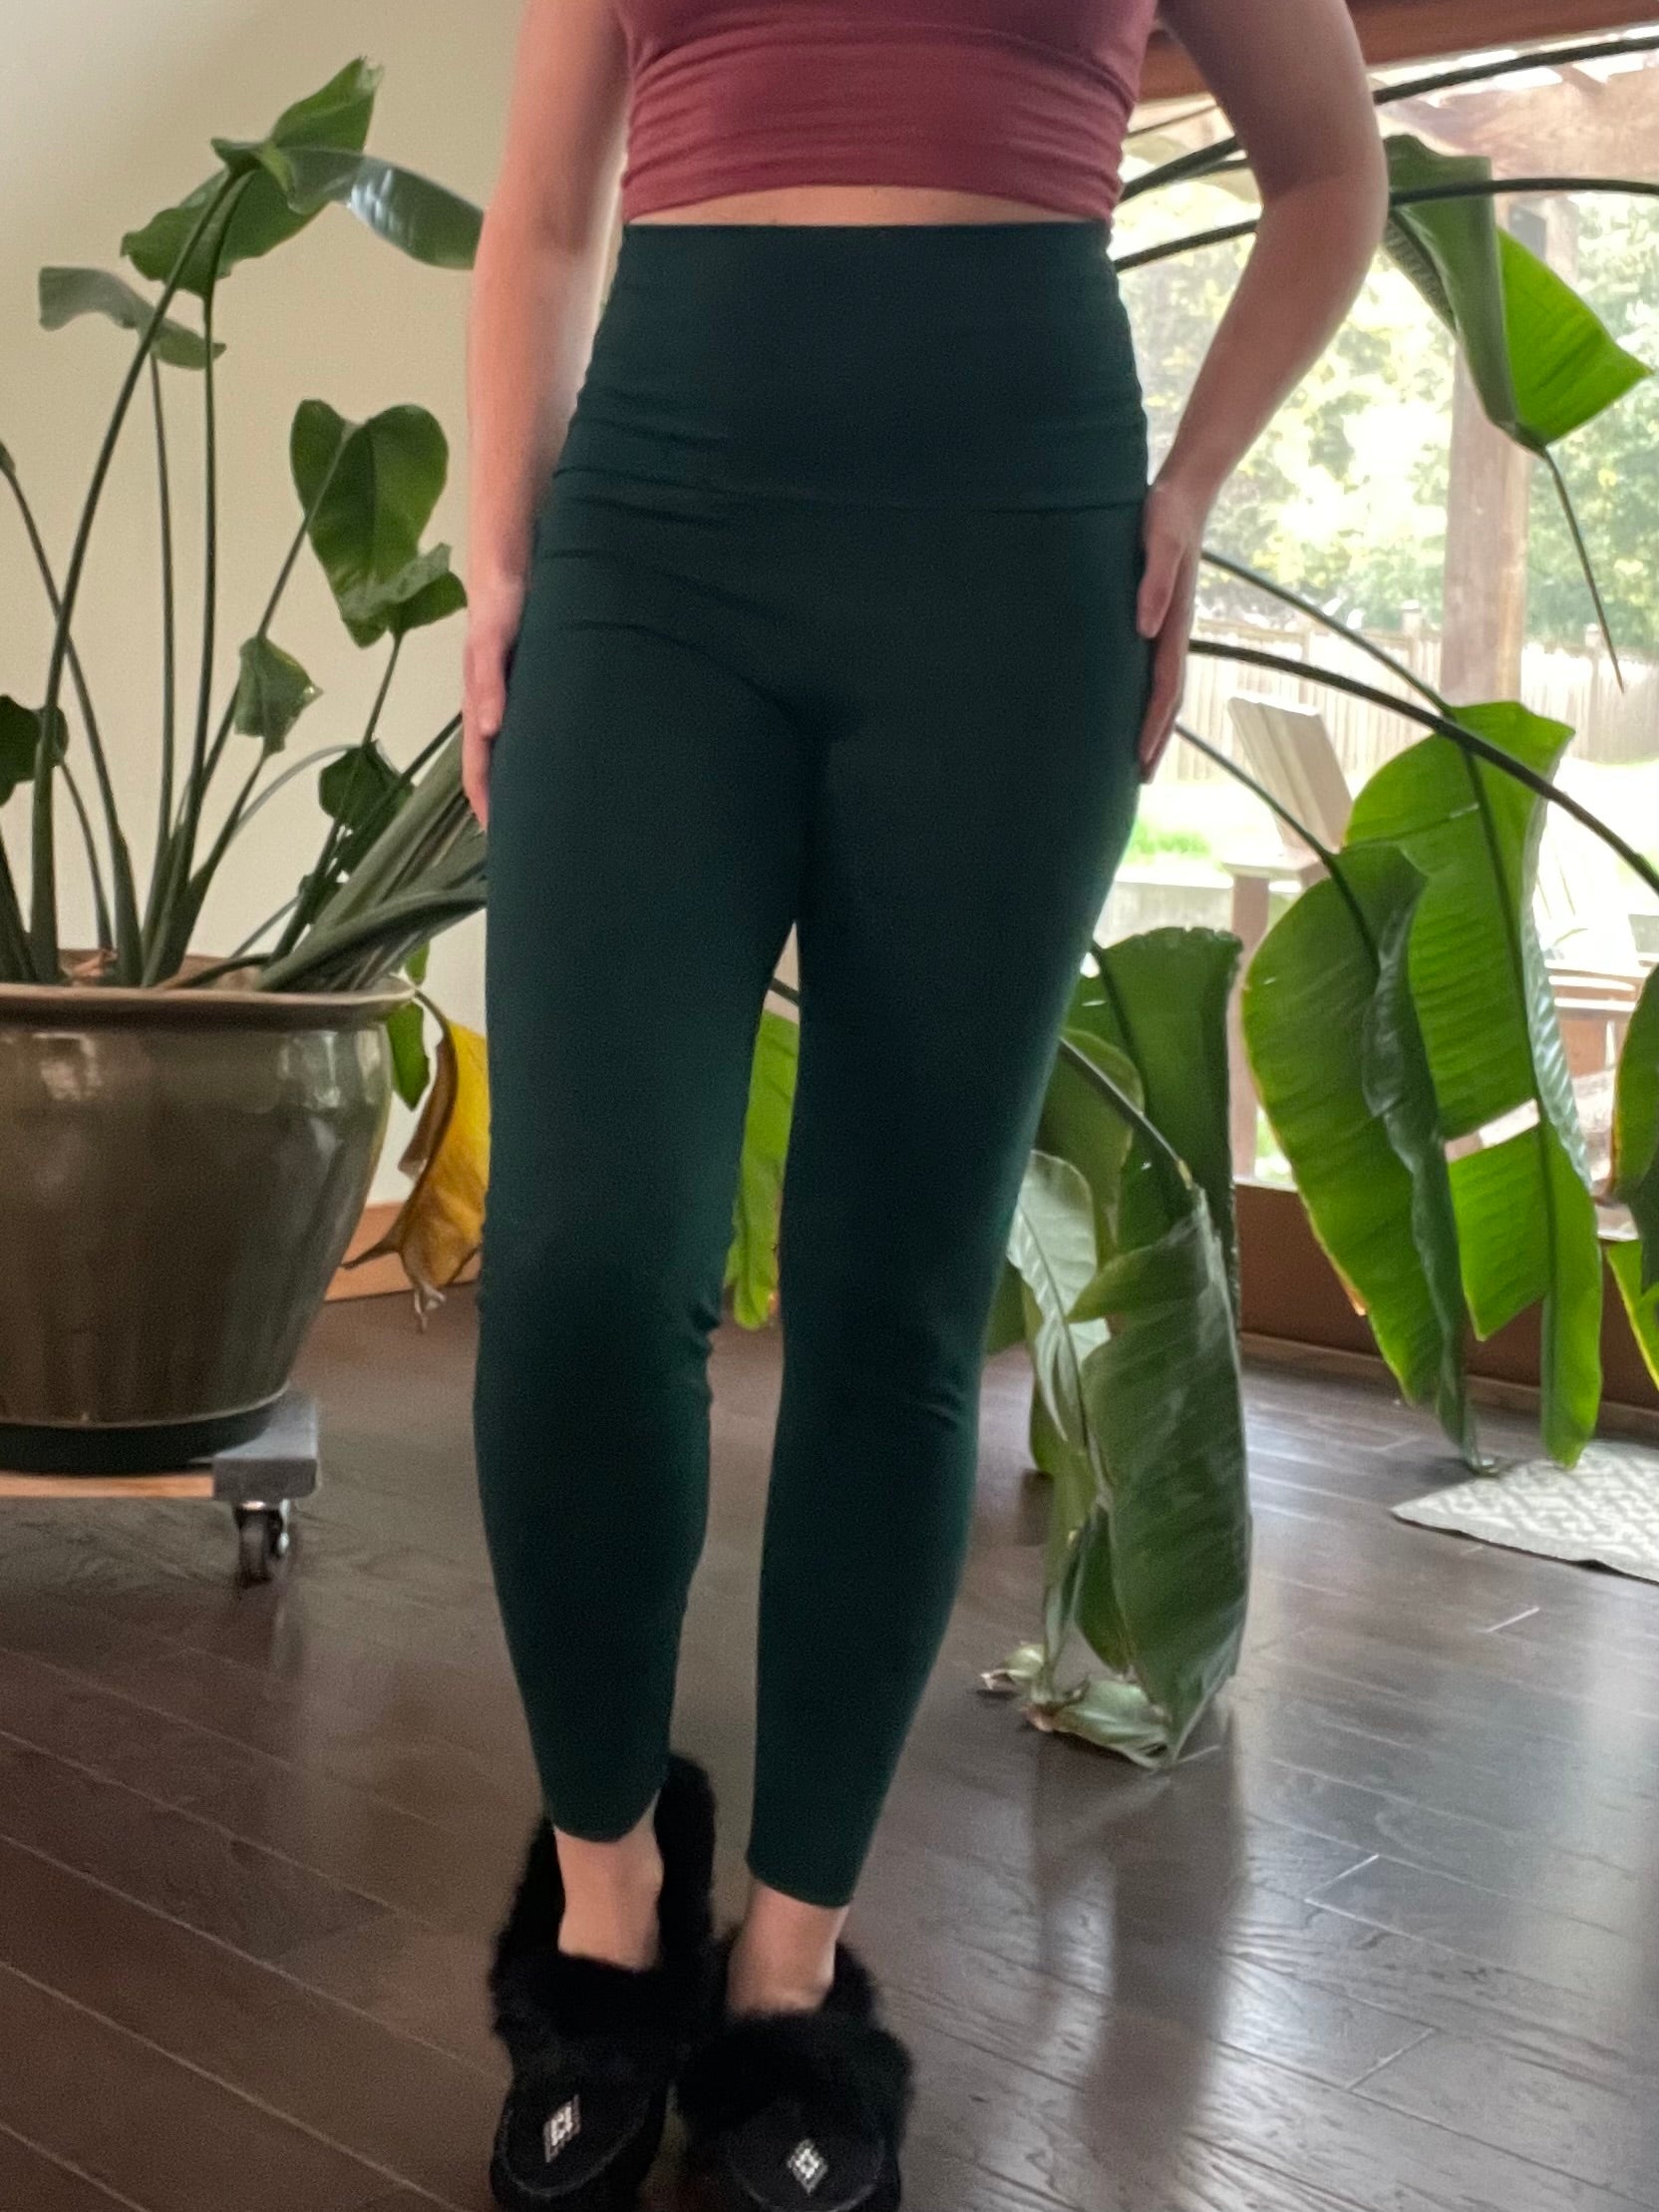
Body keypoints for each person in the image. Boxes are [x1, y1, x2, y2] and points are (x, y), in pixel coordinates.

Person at [462, 3, 1387, 2205]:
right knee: (581, 1268)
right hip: (654, 529)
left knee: (895, 1291)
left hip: (1013, 543)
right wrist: (502, 563)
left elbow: (1330, 173)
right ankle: (607, 1914)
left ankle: (790, 1976)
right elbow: (543, 211)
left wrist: (1188, 489)